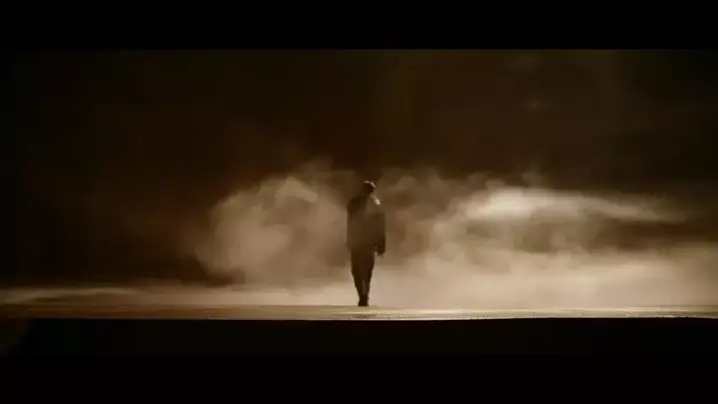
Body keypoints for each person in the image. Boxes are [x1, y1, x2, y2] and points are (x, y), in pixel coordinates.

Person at [346, 180, 386, 307]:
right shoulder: (374, 203)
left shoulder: (356, 203)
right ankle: (364, 295)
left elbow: (350, 222)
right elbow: (380, 226)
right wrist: (381, 243)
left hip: (360, 241)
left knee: (359, 270)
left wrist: (349, 238)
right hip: (367, 241)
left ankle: (362, 295)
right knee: (365, 270)